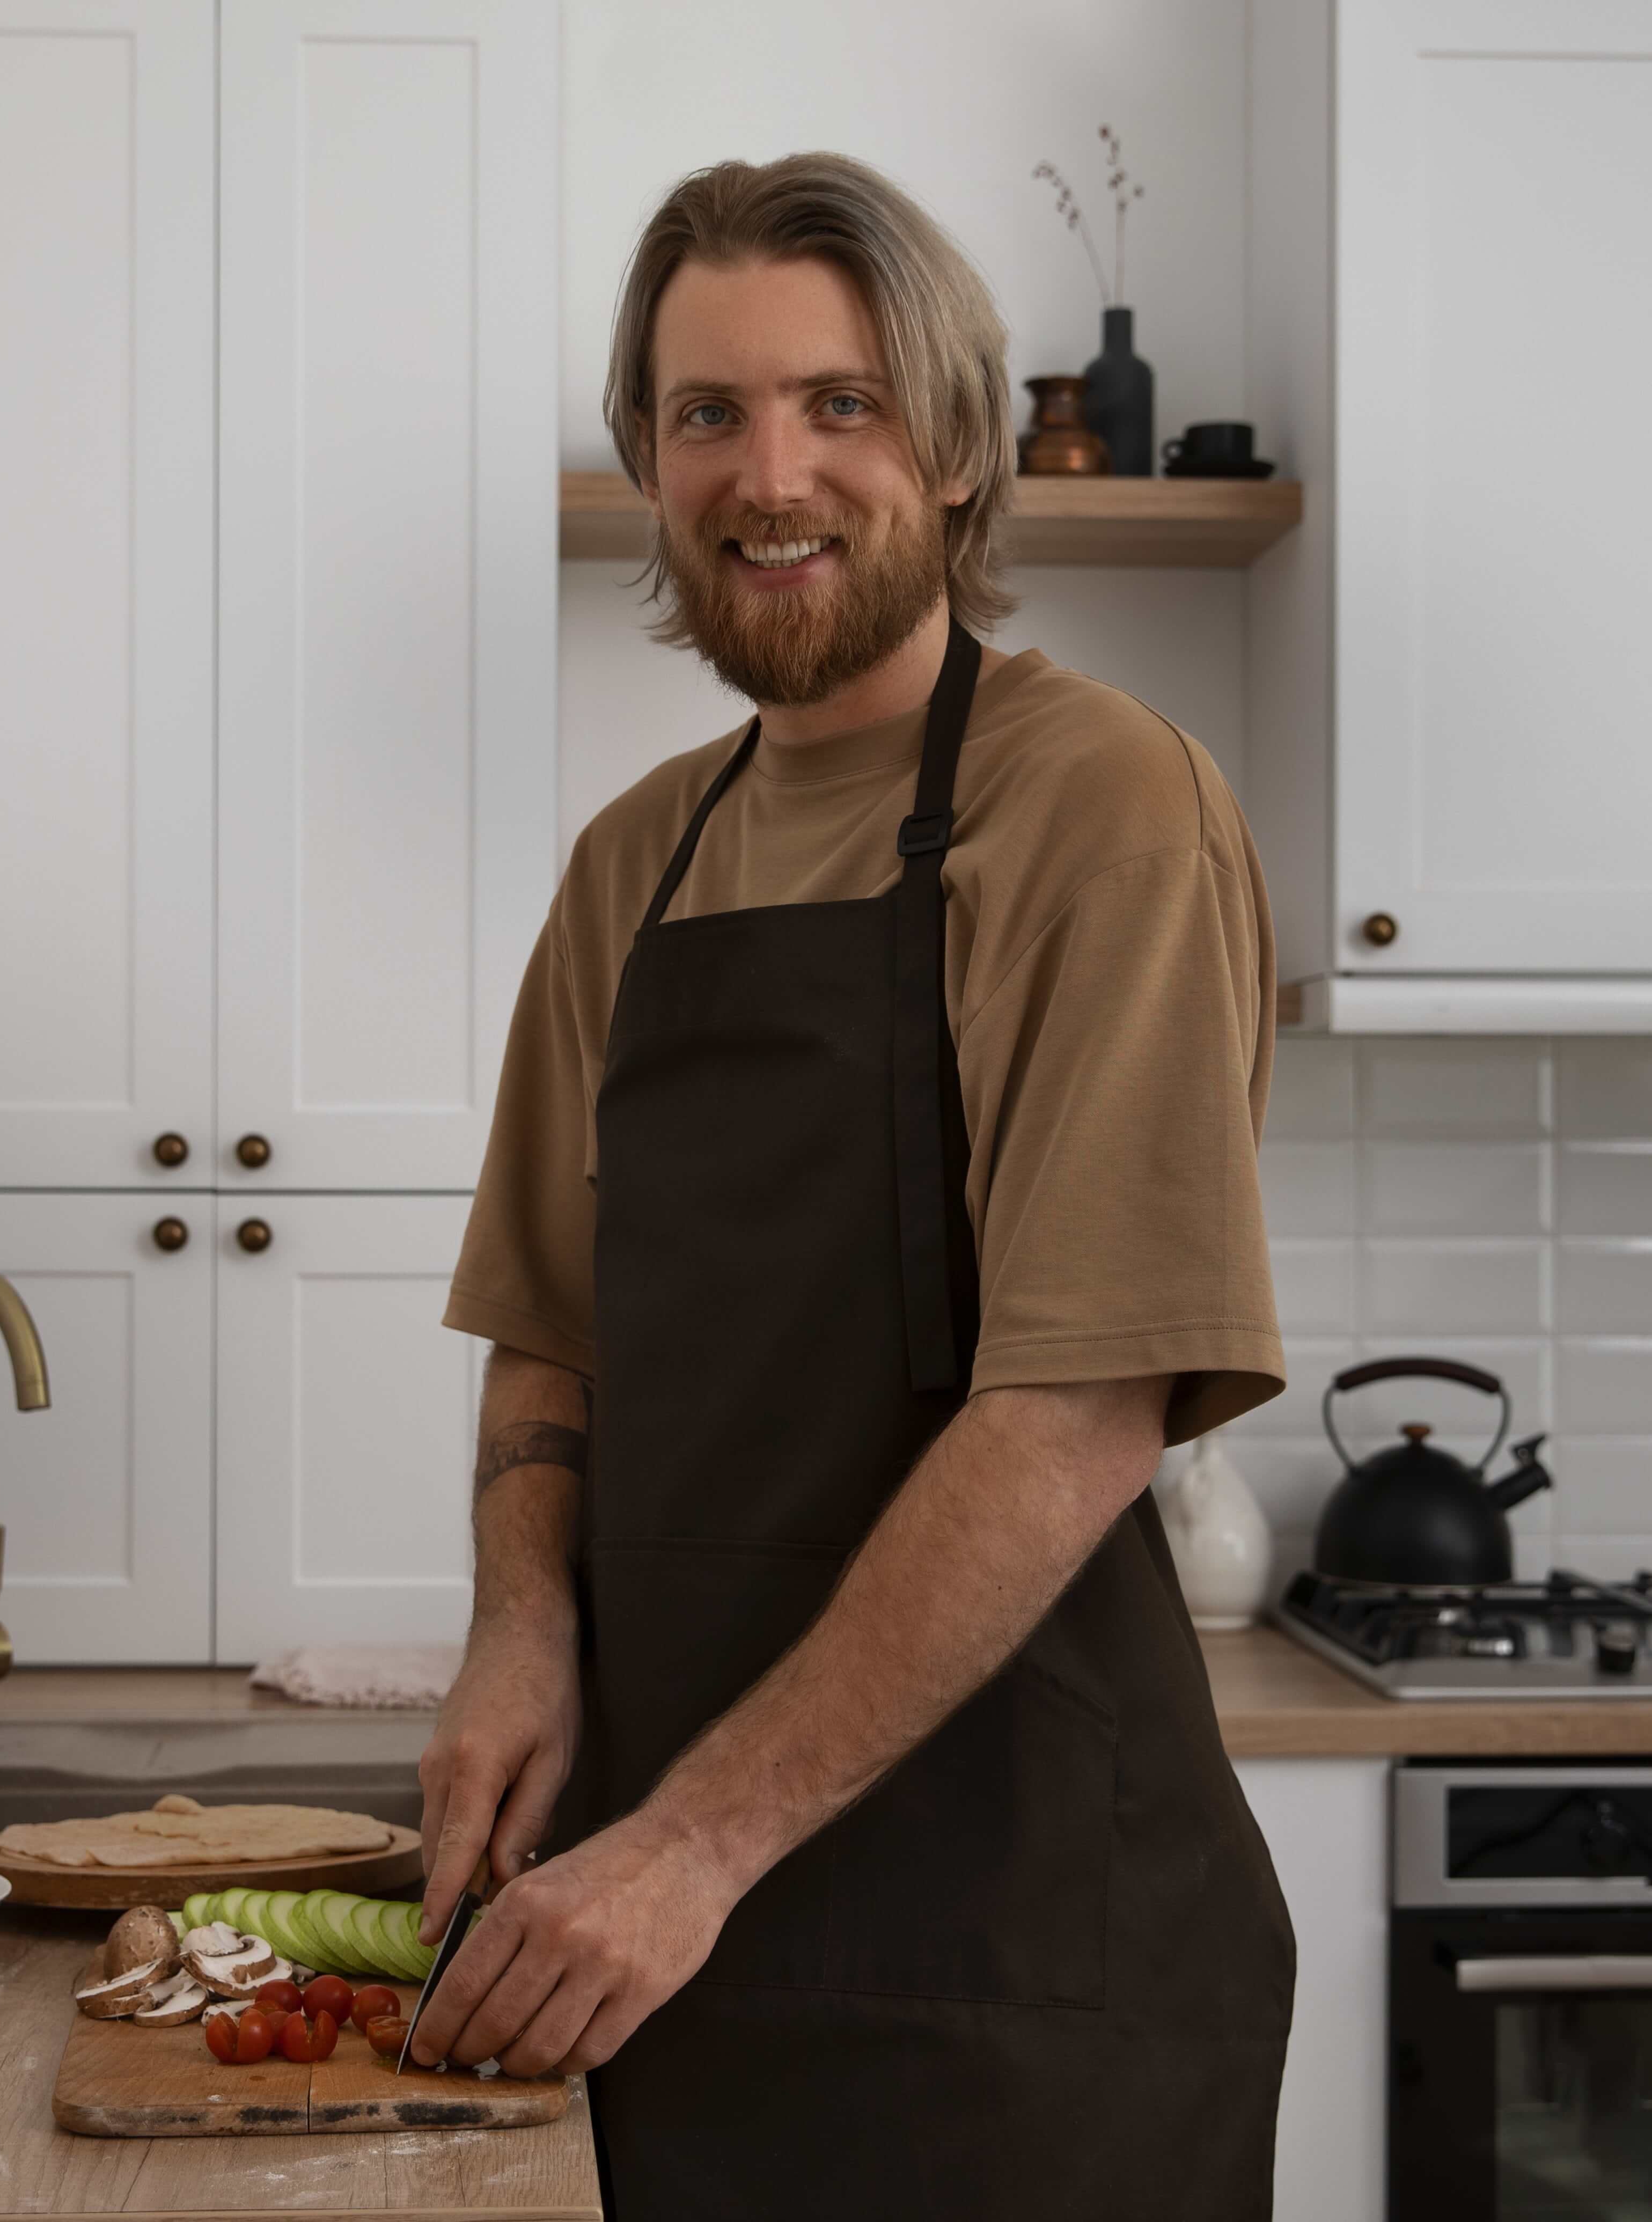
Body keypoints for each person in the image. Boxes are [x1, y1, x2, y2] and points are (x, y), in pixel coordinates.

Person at [408, 151, 1295, 2216]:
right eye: (705, 412)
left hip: (1010, 1970)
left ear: (962, 451)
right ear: (649, 458)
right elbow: (555, 1330)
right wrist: (519, 1631)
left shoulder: (1102, 807)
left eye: (841, 402)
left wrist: (697, 1845)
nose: (768, 470)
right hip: (658, 1947)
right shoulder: (638, 857)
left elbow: (1081, 1404)